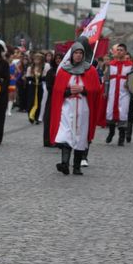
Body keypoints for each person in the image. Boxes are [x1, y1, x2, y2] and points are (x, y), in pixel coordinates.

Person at [50, 43, 100, 176]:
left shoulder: (90, 70)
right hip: (67, 107)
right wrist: (67, 92)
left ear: (83, 55)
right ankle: (65, 163)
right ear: (72, 54)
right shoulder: (63, 70)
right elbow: (57, 90)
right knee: (66, 133)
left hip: (84, 108)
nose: (78, 55)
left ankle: (77, 167)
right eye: (76, 53)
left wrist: (83, 90)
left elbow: (96, 90)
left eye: (80, 53)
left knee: (80, 135)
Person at [104, 43, 133, 145]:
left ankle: (121, 137)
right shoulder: (111, 64)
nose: (119, 51)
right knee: (110, 112)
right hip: (112, 93)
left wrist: (129, 84)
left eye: (121, 50)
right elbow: (107, 79)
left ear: (125, 52)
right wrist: (105, 91)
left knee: (123, 114)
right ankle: (111, 132)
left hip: (124, 94)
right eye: (118, 50)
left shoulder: (130, 66)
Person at [43, 51, 63, 147]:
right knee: (49, 118)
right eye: (57, 59)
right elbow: (48, 86)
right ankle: (48, 140)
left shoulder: (64, 71)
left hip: (62, 98)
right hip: (52, 98)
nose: (58, 60)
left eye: (60, 58)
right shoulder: (51, 72)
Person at [25, 52, 50, 124]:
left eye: (38, 59)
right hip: (32, 87)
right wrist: (31, 78)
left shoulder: (44, 67)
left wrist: (41, 78)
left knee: (39, 101)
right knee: (31, 101)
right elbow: (27, 77)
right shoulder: (30, 68)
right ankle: (30, 115)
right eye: (35, 59)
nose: (36, 60)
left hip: (40, 86)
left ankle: (37, 117)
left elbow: (45, 77)